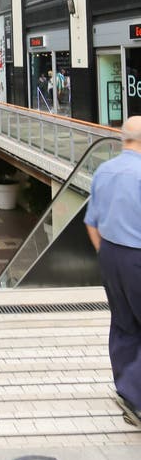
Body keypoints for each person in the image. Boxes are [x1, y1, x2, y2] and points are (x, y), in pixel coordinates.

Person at [84, 116, 141, 428]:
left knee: (123, 324)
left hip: (109, 254)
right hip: (136, 255)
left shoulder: (104, 170)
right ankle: (134, 394)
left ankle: (125, 388)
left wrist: (105, 253)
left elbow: (91, 221)